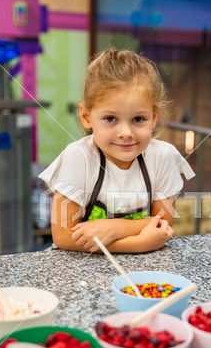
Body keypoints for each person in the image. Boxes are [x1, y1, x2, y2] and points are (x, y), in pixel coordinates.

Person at [39, 48, 195, 253]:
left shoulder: (163, 156)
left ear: (154, 117)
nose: (125, 133)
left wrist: (115, 227)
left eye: (138, 119)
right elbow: (63, 237)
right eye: (110, 119)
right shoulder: (78, 157)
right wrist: (139, 243)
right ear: (86, 117)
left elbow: (163, 226)